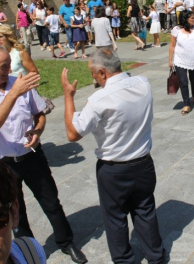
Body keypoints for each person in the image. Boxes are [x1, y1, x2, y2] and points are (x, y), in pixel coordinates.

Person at [0, 45, 87, 263]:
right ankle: (27, 252)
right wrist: (13, 93)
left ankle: (66, 242)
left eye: (9, 65)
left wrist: (38, 132)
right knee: (14, 213)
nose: (9, 70)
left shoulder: (20, 84)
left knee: (51, 201)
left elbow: (39, 114)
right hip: (1, 164)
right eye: (3, 67)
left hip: (31, 155)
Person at [61, 48, 165, 264]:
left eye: (93, 73)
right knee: (145, 211)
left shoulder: (99, 98)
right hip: (143, 163)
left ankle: (125, 261)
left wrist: (68, 96)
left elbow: (73, 133)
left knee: (115, 218)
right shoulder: (143, 83)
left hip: (114, 169)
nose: (93, 78)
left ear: (103, 72)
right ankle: (156, 256)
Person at [169, 10, 194, 115]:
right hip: (180, 60)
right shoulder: (176, 30)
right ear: (185, 19)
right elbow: (172, 46)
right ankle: (186, 104)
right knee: (183, 82)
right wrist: (170, 60)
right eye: (192, 18)